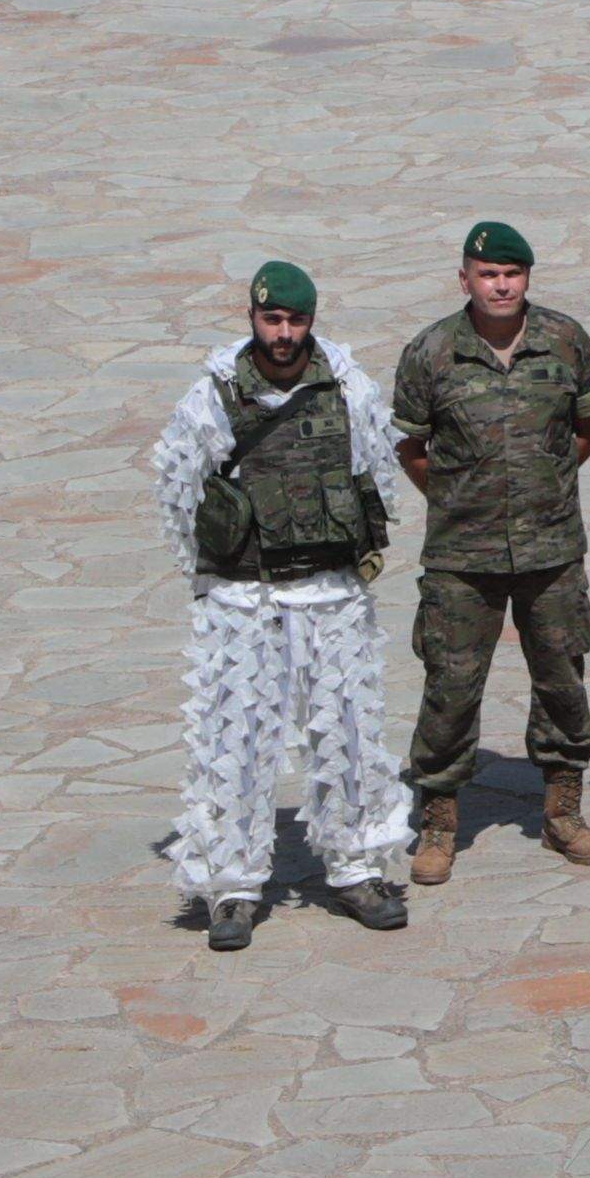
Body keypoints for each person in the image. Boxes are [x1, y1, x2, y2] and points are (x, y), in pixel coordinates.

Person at [156, 263, 410, 947]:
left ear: (311, 320)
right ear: (252, 318)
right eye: (272, 321)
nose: (284, 335)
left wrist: (361, 564)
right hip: (245, 596)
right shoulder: (212, 394)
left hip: (330, 592)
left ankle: (356, 866)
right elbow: (180, 491)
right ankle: (232, 885)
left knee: (350, 736)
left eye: (296, 321)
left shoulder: (346, 388)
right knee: (234, 739)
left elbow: (375, 474)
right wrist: (209, 577)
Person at [393, 218, 590, 887]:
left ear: (526, 280)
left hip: (550, 547)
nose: (500, 286)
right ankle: (439, 817)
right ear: (465, 280)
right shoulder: (431, 352)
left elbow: (589, 430)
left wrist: (541, 483)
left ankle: (562, 808)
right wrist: (462, 498)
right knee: (451, 686)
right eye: (487, 275)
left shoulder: (564, 340)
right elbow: (410, 448)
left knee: (561, 677)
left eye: (511, 275)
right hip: (463, 554)